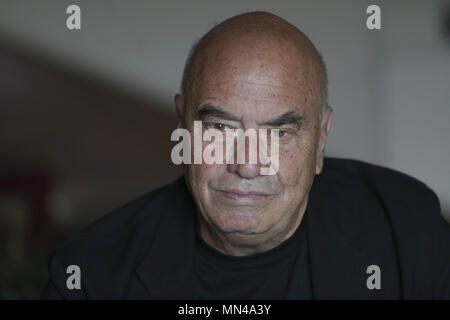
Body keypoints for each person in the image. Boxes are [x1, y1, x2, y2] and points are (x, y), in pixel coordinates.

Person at [43, 11, 450, 299]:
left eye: (280, 133)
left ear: (321, 139)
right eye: (220, 128)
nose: (247, 164)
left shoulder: (406, 228)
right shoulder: (92, 275)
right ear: (182, 124)